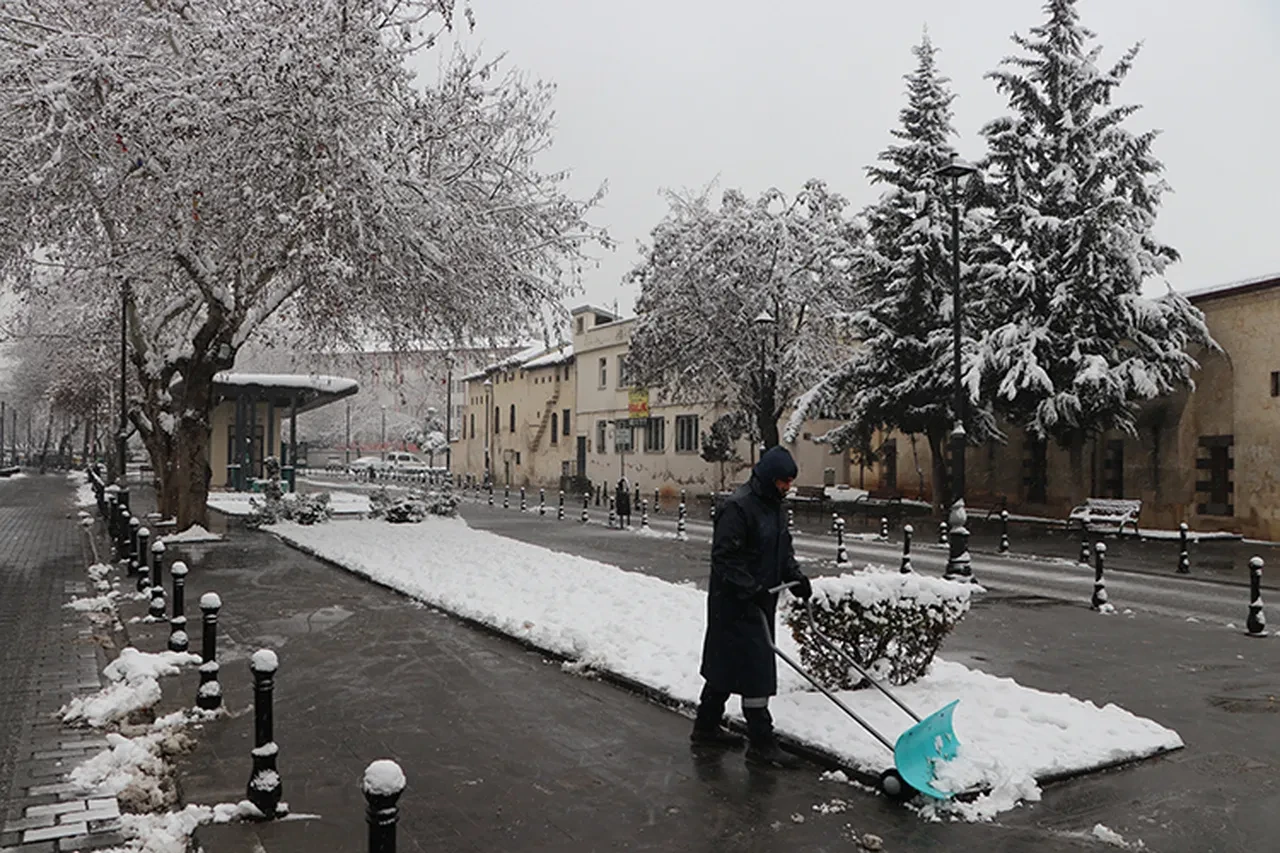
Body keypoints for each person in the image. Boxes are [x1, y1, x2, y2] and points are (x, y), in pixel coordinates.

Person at [691, 445, 812, 768]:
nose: (787, 487)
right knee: (755, 668)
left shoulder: (774, 507)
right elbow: (725, 558)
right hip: (733, 603)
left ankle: (705, 727)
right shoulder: (739, 507)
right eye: (784, 481)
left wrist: (795, 577)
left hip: (760, 601)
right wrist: (751, 588)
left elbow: (782, 550)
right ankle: (761, 742)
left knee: (726, 664)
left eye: (790, 482)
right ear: (769, 478)